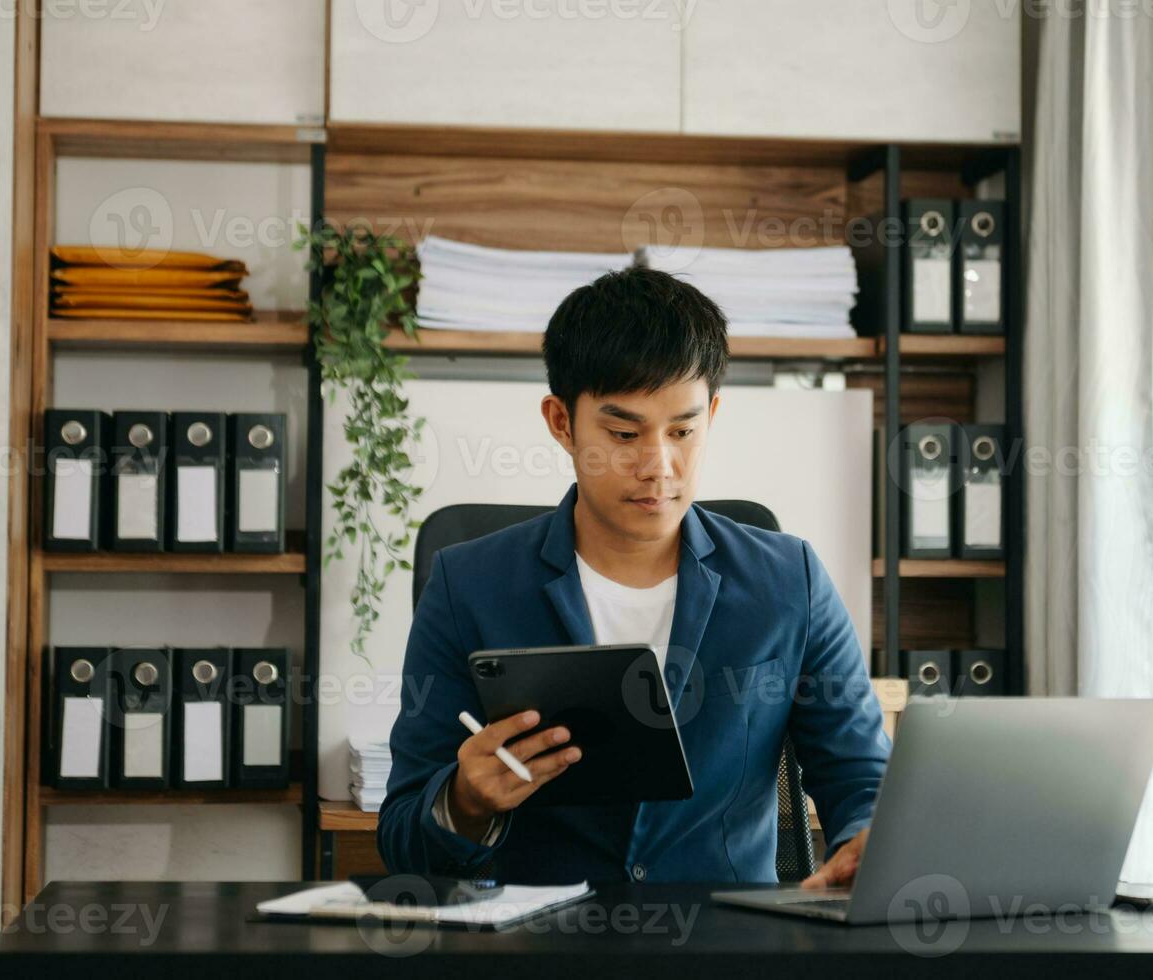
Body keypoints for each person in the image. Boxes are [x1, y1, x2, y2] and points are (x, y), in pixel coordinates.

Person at [379, 266, 889, 887]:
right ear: (561, 422)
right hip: (540, 951)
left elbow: (859, 773)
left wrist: (866, 842)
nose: (658, 466)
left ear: (713, 415)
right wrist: (463, 801)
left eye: (683, 430)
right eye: (623, 433)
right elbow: (402, 834)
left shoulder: (790, 580)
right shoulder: (468, 585)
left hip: (726, 948)